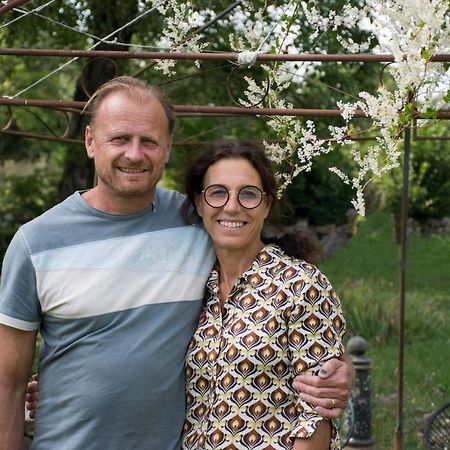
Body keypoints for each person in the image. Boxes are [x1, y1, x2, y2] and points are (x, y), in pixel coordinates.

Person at [0, 76, 353, 450]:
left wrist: (336, 371)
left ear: (167, 147)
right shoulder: (35, 243)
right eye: (119, 138)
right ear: (90, 141)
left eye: (149, 141)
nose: (134, 154)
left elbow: (300, 324)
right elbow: (7, 384)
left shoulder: (196, 223)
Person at [181, 141, 346, 449]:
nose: (232, 206)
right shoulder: (195, 286)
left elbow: (316, 417)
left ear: (267, 205)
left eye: (248, 194)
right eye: (218, 192)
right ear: (199, 203)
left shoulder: (301, 285)